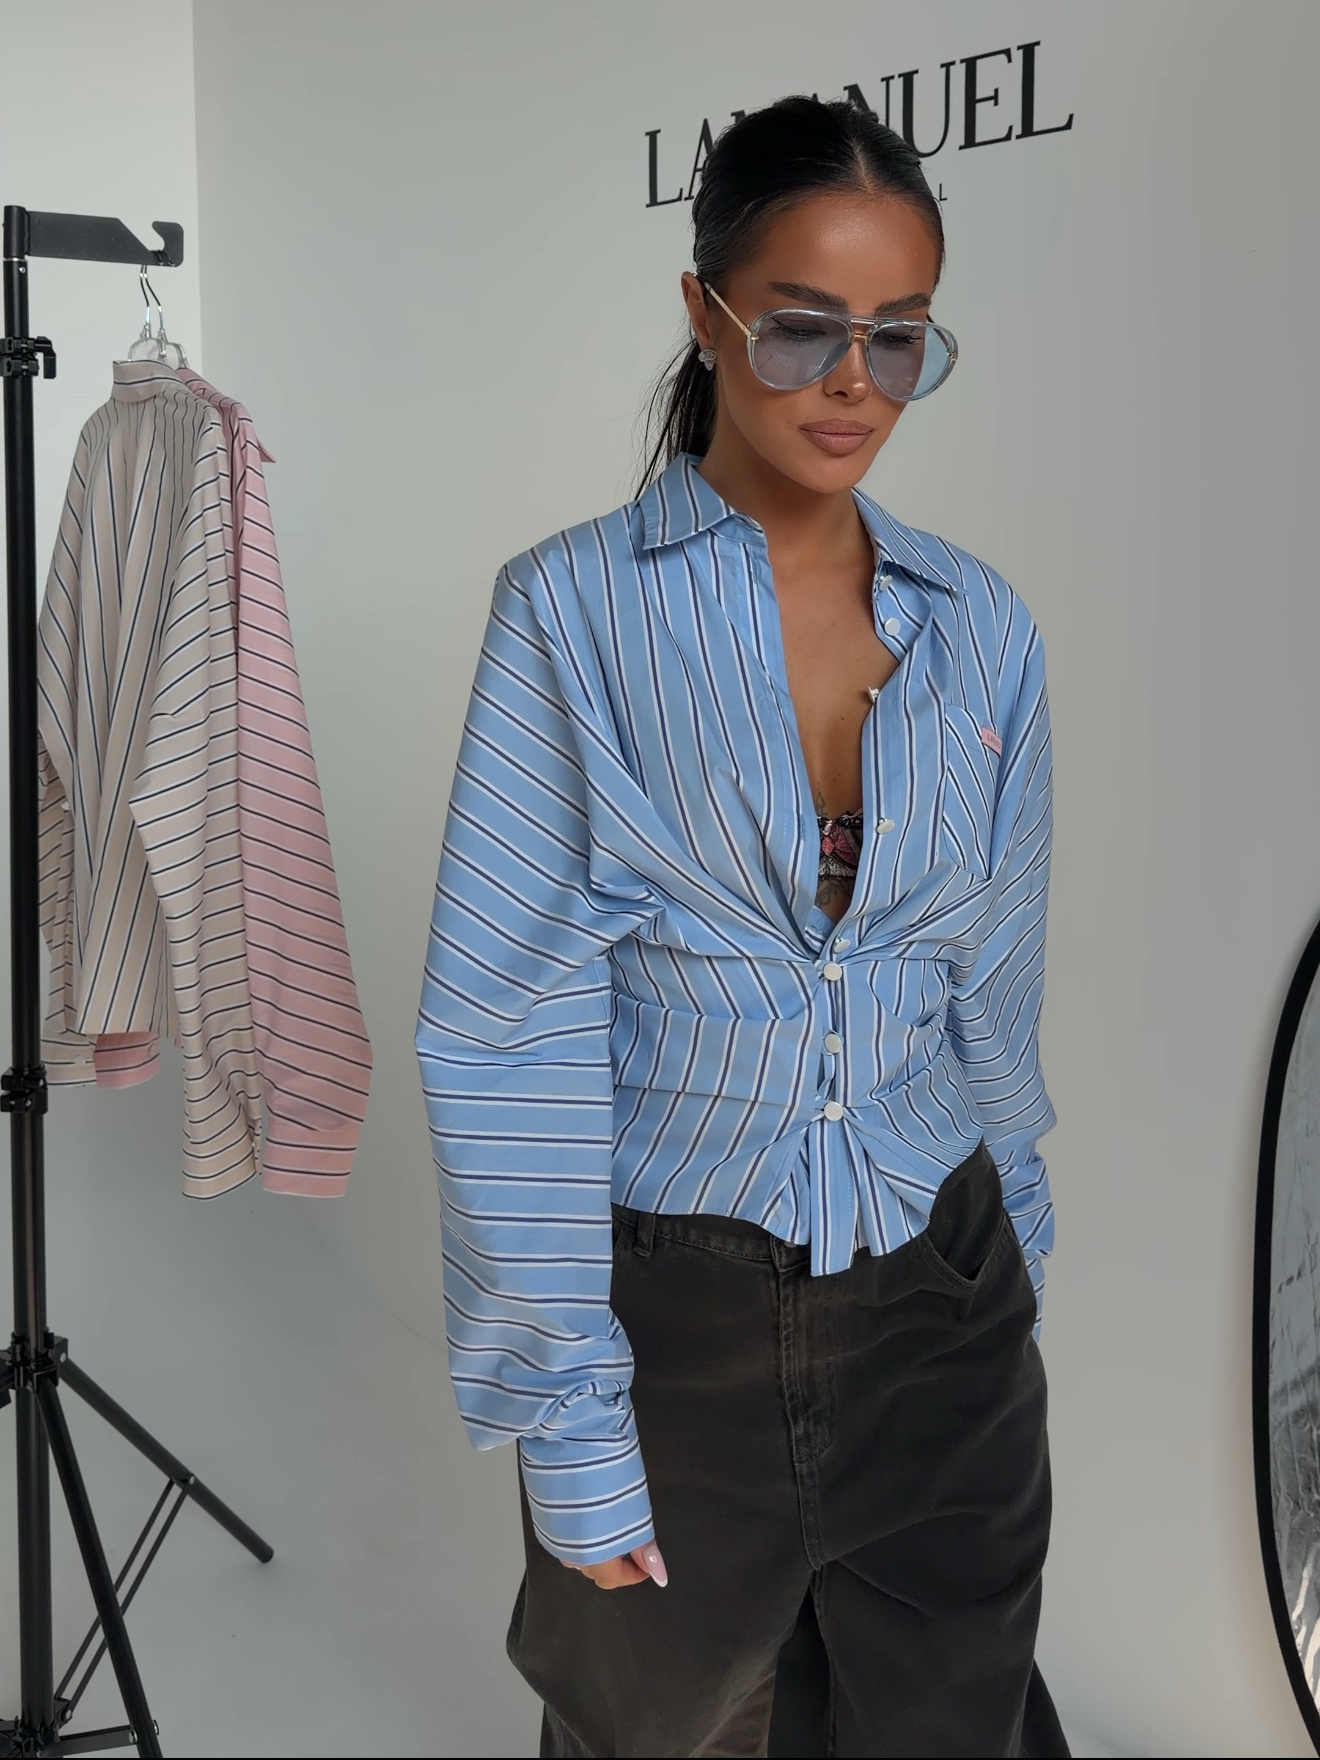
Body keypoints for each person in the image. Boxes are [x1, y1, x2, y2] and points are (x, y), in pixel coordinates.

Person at [416, 95, 1068, 1759]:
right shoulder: (572, 612)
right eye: (801, 327)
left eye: (899, 337)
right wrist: (571, 1425)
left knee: (955, 1724)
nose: (854, 382)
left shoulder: (982, 626)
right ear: (704, 314)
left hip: (944, 1309)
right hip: (675, 1335)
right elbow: (509, 1031)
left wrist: (1017, 1249)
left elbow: (993, 980)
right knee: (662, 1733)